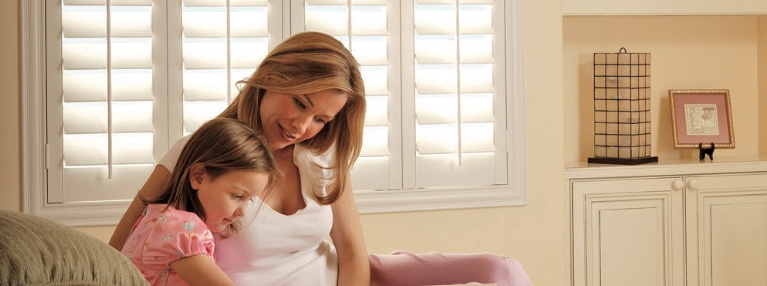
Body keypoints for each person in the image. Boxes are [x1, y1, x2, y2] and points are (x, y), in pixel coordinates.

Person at [111, 31, 532, 286]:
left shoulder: (322, 157)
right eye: (299, 103)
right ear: (271, 77)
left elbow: (351, 253)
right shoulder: (198, 154)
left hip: (353, 278)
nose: (302, 126)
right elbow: (120, 252)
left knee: (501, 272)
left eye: (320, 119)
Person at [120, 117, 278, 286]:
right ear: (199, 177)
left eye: (250, 200)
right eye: (238, 196)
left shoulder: (156, 216)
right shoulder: (181, 230)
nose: (243, 212)